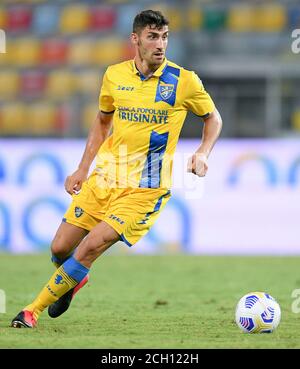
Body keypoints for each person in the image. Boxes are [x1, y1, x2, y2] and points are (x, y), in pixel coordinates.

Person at [11, 9, 222, 328]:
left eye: (164, 37)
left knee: (91, 246)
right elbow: (102, 121)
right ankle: (73, 280)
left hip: (145, 189)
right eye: (152, 36)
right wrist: (82, 169)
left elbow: (213, 118)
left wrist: (203, 152)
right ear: (135, 39)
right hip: (105, 178)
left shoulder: (184, 81)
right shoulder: (114, 75)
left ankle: (32, 310)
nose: (160, 44)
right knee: (60, 248)